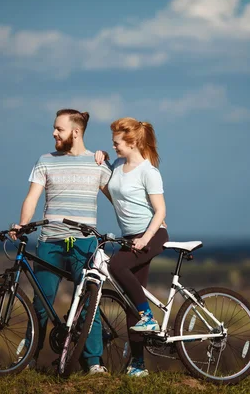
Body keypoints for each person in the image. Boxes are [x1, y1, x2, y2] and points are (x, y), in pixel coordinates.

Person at [10, 109, 112, 374]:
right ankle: (29, 359)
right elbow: (32, 198)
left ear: (76, 132)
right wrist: (22, 225)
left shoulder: (97, 163)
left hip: (85, 243)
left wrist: (150, 223)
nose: (54, 133)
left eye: (59, 129)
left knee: (90, 304)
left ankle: (94, 363)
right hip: (50, 242)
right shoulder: (45, 161)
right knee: (40, 305)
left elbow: (118, 198)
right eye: (54, 129)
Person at [95, 117, 169, 377]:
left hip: (152, 235)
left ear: (133, 142)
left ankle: (148, 315)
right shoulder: (116, 165)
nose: (113, 146)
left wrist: (145, 239)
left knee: (117, 266)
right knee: (130, 302)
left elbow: (160, 211)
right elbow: (113, 196)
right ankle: (138, 365)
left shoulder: (149, 172)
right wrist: (102, 162)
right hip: (130, 237)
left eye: (116, 143)